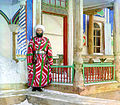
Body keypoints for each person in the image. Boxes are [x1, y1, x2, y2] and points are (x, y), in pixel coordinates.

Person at [27, 25, 53, 91]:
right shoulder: (32, 40)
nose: (39, 32)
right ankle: (34, 86)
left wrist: (50, 61)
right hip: (35, 58)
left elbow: (49, 51)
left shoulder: (46, 40)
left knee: (42, 72)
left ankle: (40, 86)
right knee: (34, 72)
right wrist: (29, 61)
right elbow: (30, 51)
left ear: (42, 31)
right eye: (38, 30)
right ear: (36, 31)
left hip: (44, 59)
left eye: (40, 30)